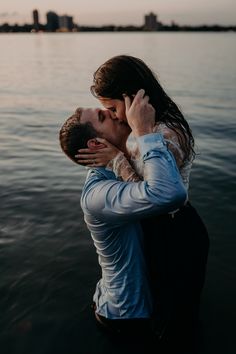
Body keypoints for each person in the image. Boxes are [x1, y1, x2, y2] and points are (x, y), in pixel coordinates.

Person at [77, 55, 210, 353]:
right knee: (167, 315)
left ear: (133, 95)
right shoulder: (143, 131)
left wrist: (117, 159)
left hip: (176, 233)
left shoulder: (163, 133)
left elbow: (158, 195)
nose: (116, 118)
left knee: (177, 323)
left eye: (113, 109)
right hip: (161, 231)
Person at [59, 90, 187, 352]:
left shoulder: (122, 164)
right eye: (105, 116)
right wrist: (144, 130)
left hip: (136, 304)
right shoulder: (97, 195)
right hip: (126, 317)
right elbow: (169, 193)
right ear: (96, 144)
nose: (117, 114)